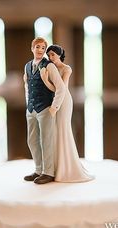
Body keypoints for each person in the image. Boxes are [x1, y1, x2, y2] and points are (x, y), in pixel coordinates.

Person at [40, 44, 94, 182]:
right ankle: (55, 166)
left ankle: (67, 167)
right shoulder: (50, 67)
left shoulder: (66, 69)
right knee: (54, 131)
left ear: (59, 55)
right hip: (53, 100)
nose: (50, 57)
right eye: (49, 55)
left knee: (63, 130)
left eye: (53, 54)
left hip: (63, 101)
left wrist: (46, 80)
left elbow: (61, 89)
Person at [23, 38, 66, 184]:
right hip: (31, 109)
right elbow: (27, 86)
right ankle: (38, 169)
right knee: (32, 140)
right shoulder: (28, 66)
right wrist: (28, 103)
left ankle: (48, 172)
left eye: (43, 47)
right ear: (32, 48)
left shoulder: (49, 66)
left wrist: (54, 107)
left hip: (45, 108)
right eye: (38, 47)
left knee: (46, 140)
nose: (40, 50)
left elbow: (61, 88)